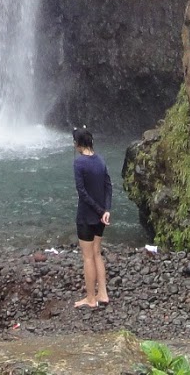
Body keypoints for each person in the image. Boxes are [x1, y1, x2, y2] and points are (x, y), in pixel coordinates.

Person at [72, 127, 111, 309]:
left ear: (78, 144)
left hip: (87, 216)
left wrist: (96, 210)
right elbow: (108, 186)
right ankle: (102, 294)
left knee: (87, 256)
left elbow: (82, 193)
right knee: (97, 253)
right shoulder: (101, 160)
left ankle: (90, 298)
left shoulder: (79, 163)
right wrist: (105, 210)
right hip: (101, 216)